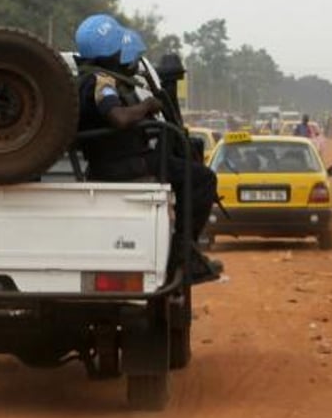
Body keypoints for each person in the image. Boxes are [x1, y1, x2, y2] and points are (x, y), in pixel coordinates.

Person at [72, 14, 222, 285]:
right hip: (123, 164)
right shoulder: (100, 81)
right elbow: (118, 118)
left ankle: (186, 255)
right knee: (202, 179)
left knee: (184, 168)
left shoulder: (85, 79)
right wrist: (147, 107)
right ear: (110, 51)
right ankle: (183, 258)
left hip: (118, 161)